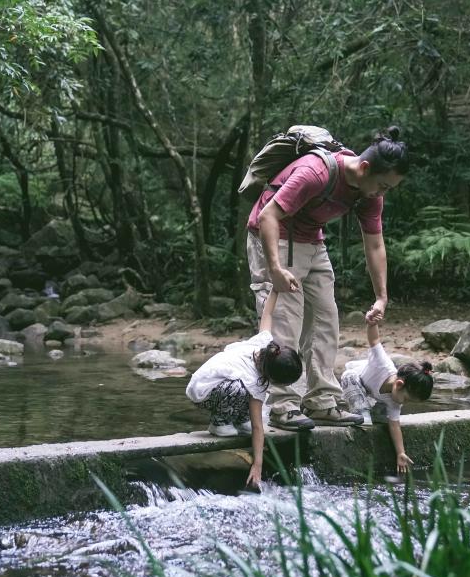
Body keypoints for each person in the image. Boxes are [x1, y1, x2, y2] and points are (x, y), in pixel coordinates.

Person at [247, 125, 409, 431]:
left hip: (311, 239)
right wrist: (276, 269)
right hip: (274, 235)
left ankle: (321, 400)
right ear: (364, 168)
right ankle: (283, 405)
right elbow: (268, 215)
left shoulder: (369, 193)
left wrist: (381, 295)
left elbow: (375, 243)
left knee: (326, 318)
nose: (382, 193)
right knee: (285, 320)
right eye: (383, 186)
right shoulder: (316, 172)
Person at [186, 290, 302, 488]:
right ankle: (219, 423)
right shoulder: (254, 379)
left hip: (218, 383)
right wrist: (257, 464)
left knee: (241, 391)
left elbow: (267, 314)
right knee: (239, 390)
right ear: (272, 375)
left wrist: (276, 289)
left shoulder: (265, 346)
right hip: (202, 391)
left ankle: (239, 419)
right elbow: (258, 427)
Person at [341, 315, 434, 474]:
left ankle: (364, 413)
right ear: (399, 385)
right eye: (406, 398)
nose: (403, 403)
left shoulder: (394, 400)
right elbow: (375, 341)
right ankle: (361, 413)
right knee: (350, 378)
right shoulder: (383, 364)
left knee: (383, 416)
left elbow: (394, 424)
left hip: (368, 396)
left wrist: (400, 453)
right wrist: (372, 323)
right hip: (354, 381)